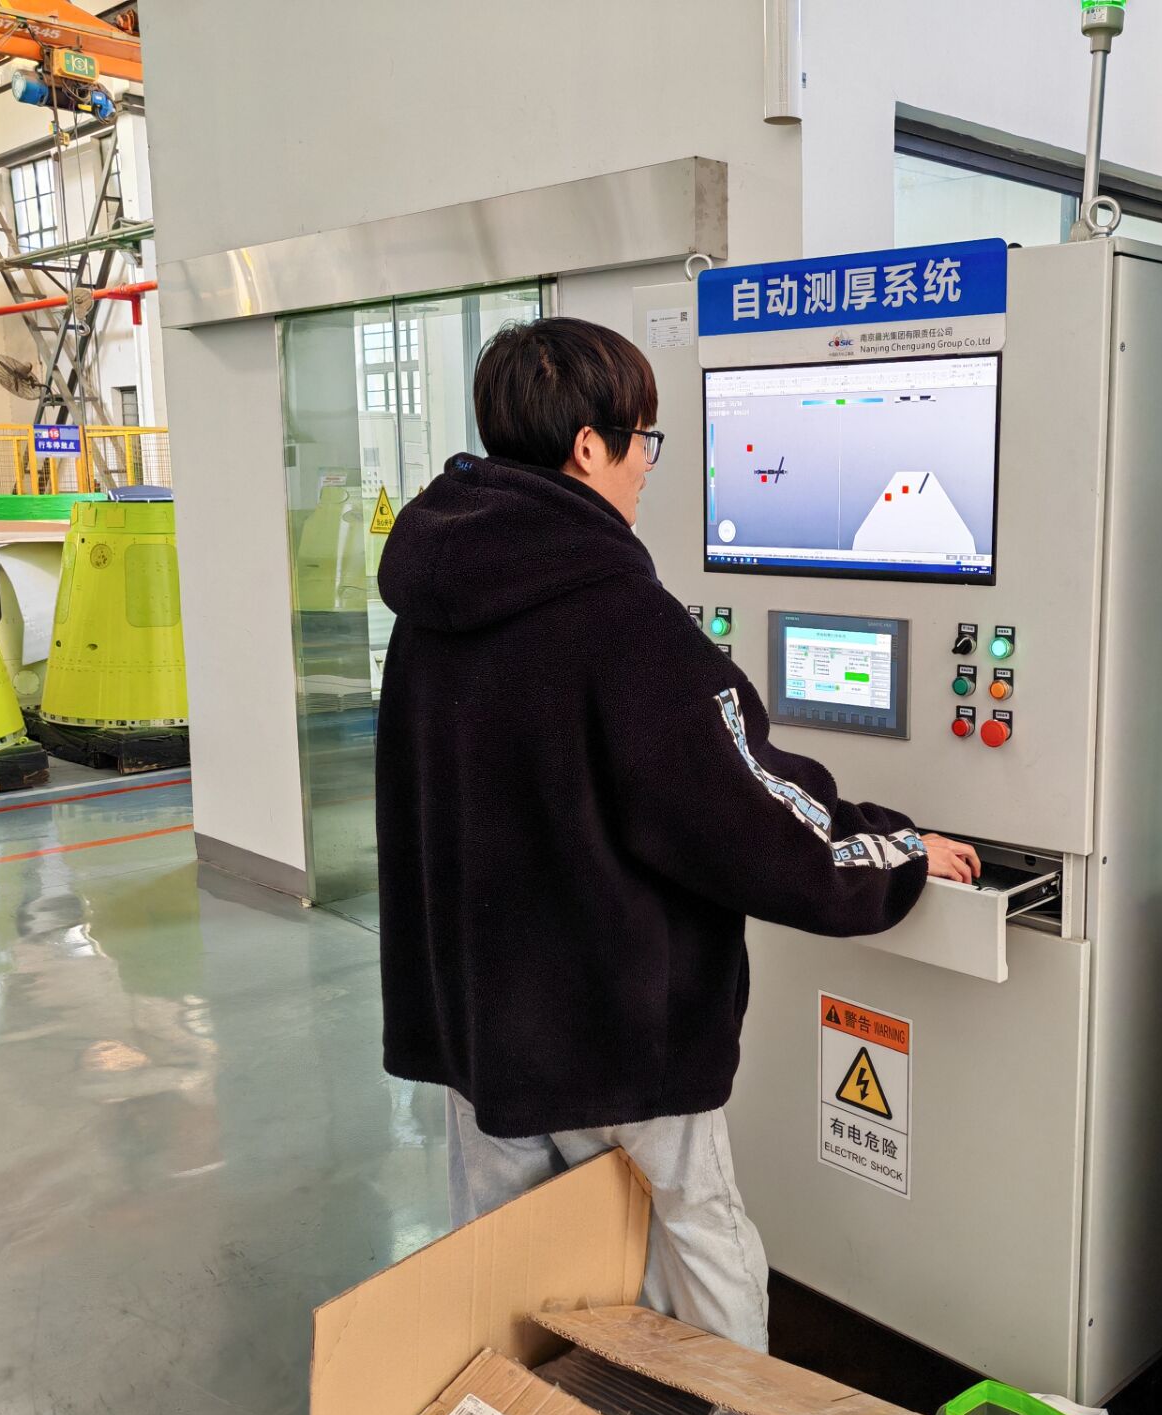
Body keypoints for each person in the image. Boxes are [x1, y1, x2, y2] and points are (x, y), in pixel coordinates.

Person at [374, 316, 979, 1353]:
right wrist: (897, 852)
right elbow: (746, 812)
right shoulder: (618, 615)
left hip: (481, 1021)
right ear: (589, 447)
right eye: (643, 440)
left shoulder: (432, 603)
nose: (649, 467)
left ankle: (543, 1411)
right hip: (614, 1021)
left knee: (513, 1263)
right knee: (699, 1245)